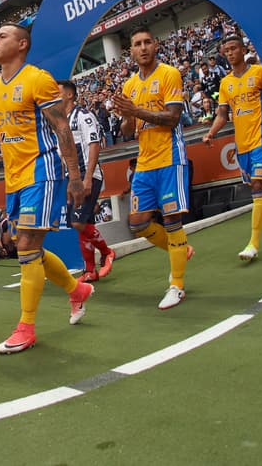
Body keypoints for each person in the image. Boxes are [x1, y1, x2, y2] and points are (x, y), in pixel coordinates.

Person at [0, 22, 91, 354]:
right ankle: (76, 290)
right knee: (24, 244)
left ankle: (26, 328)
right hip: (15, 177)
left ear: (22, 44)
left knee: (24, 242)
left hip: (43, 170)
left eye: (2, 36)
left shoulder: (38, 79)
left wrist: (76, 177)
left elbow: (62, 128)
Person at [113, 26, 192, 310]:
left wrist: (135, 111)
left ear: (155, 45)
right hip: (145, 162)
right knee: (138, 223)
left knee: (172, 221)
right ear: (131, 51)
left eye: (147, 42)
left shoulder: (169, 74)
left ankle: (178, 285)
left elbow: (172, 118)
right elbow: (126, 131)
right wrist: (125, 115)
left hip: (170, 158)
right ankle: (180, 249)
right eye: (137, 43)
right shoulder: (129, 85)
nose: (143, 47)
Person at [204, 34, 262, 261]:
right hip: (241, 143)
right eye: (227, 50)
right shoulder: (225, 84)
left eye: (234, 48)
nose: (230, 53)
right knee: (255, 185)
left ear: (243, 50)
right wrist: (211, 133)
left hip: (261, 138)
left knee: (258, 185)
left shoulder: (259, 72)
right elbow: (222, 114)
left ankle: (253, 243)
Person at [58, 80, 114, 281]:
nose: (54, 97)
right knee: (84, 222)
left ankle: (107, 252)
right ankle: (90, 270)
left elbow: (93, 144)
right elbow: (63, 155)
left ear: (70, 95)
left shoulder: (83, 115)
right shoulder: (60, 122)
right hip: (72, 180)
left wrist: (88, 178)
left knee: (77, 222)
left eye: (58, 93)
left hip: (87, 176)